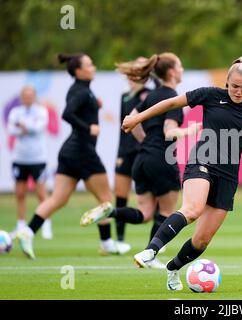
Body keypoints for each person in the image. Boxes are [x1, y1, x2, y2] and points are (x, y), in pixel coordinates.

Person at [120, 56, 242, 290]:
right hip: (201, 161)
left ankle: (172, 268)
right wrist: (137, 118)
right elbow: (171, 103)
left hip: (228, 175)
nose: (238, 91)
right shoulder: (209, 94)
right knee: (192, 209)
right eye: (234, 86)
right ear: (227, 81)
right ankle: (151, 251)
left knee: (202, 240)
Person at [80, 53, 201, 269]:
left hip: (141, 158)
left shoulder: (151, 96)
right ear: (172, 72)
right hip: (162, 159)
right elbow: (168, 131)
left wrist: (146, 143)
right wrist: (189, 130)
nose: (182, 70)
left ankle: (111, 212)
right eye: (180, 66)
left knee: (145, 213)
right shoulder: (173, 97)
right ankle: (150, 254)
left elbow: (131, 121)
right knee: (166, 211)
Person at [17, 53, 129, 259]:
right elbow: (67, 113)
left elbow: (78, 108)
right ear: (79, 71)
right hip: (83, 152)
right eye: (89, 64)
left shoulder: (84, 90)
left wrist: (96, 105)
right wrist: (89, 128)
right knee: (105, 200)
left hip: (69, 152)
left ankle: (28, 232)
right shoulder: (80, 91)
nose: (93, 66)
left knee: (58, 199)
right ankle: (107, 243)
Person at [112, 76, 160, 251]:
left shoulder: (149, 94)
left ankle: (156, 239)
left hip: (143, 150)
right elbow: (123, 124)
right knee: (121, 195)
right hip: (125, 151)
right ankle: (119, 239)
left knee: (158, 195)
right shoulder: (125, 96)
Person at [7, 85, 53, 240]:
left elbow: (38, 128)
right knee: (20, 193)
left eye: (30, 95)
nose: (27, 98)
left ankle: (46, 224)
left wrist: (23, 126)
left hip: (38, 158)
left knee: (41, 193)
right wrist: (25, 127)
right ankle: (20, 225)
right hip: (19, 158)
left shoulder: (41, 111)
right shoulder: (15, 112)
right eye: (25, 95)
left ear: (34, 96)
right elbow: (11, 129)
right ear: (21, 97)